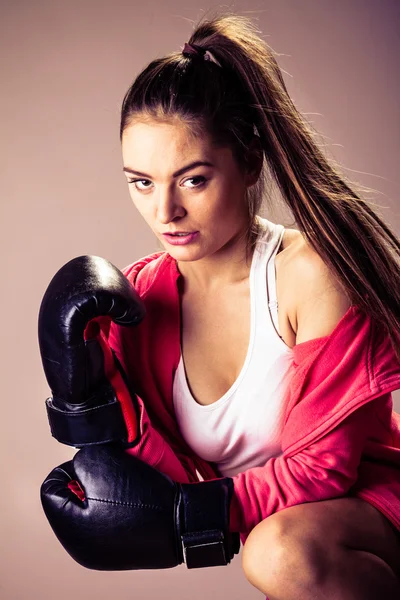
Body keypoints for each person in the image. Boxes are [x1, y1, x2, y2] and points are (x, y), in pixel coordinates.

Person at [40, 12, 400, 600]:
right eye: (142, 182)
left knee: (277, 553)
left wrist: (191, 514)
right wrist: (82, 402)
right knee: (273, 552)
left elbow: (324, 472)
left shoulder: (309, 276)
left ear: (249, 162)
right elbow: (156, 465)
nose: (165, 213)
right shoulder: (137, 302)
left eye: (194, 179)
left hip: (365, 516)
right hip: (284, 544)